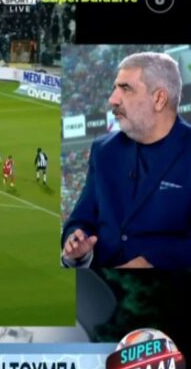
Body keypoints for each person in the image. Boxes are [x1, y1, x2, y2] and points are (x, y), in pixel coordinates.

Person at [62, 52, 191, 269]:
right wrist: (76, 245)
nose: (113, 99)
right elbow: (81, 219)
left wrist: (153, 262)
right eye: (115, 88)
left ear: (159, 99)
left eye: (126, 88)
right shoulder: (104, 151)